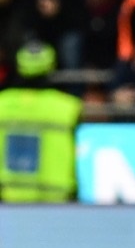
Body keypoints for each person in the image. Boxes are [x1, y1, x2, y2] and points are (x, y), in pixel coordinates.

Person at [0, 41, 82, 202]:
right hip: (56, 199)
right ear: (51, 66)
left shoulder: (2, 104)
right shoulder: (69, 107)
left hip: (8, 199)